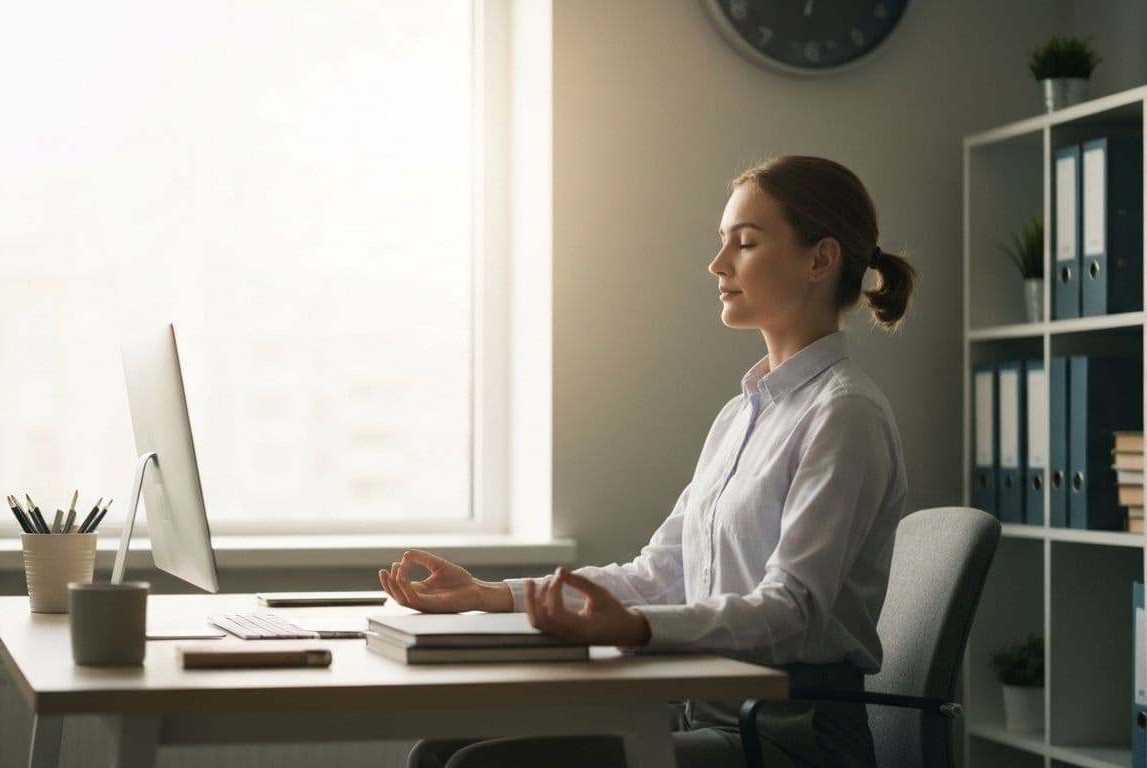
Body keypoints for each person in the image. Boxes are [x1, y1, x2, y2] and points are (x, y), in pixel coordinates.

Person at [379, 155, 918, 768]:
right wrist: (490, 594)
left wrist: (636, 630)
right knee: (440, 754)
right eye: (723, 244)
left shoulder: (843, 415)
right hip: (702, 712)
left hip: (788, 737)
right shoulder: (740, 416)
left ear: (820, 260)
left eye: (744, 243)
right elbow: (659, 574)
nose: (717, 265)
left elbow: (793, 611)